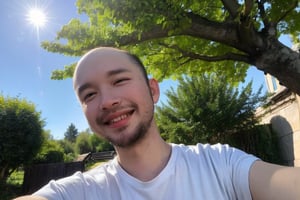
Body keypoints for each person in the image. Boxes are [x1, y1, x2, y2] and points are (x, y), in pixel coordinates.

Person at [16, 47, 300, 200]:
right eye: (89, 94)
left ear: (153, 90)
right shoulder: (77, 192)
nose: (106, 100)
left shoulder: (221, 166)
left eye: (119, 80)